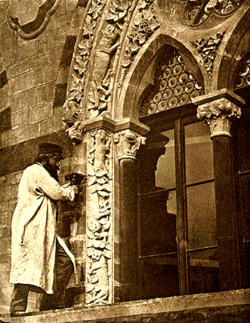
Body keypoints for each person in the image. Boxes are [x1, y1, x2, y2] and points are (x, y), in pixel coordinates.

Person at [9, 143, 79, 317]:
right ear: (45, 157)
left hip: (43, 231)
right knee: (26, 267)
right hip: (31, 229)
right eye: (55, 159)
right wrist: (73, 188)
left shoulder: (40, 173)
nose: (57, 164)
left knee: (65, 261)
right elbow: (57, 193)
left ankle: (49, 303)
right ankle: (17, 308)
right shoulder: (36, 171)